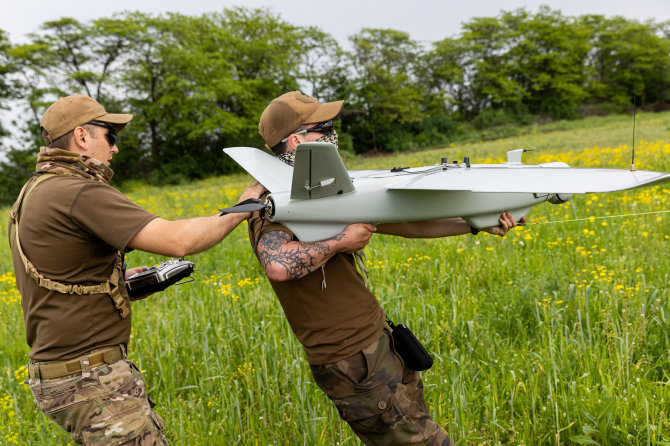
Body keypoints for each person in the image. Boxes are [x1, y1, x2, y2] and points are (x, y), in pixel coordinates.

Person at [250, 91, 524, 446]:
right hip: (350, 359)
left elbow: (406, 224)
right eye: (325, 127)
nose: (333, 135)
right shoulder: (271, 200)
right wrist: (340, 243)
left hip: (378, 339)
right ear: (297, 141)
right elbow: (277, 264)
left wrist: (474, 224)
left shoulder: (322, 190)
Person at [8, 94, 265, 445]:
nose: (114, 149)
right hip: (90, 377)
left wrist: (117, 283)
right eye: (110, 136)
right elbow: (179, 240)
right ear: (82, 137)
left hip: (60, 374)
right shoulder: (78, 191)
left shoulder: (34, 191)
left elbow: (61, 274)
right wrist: (243, 206)